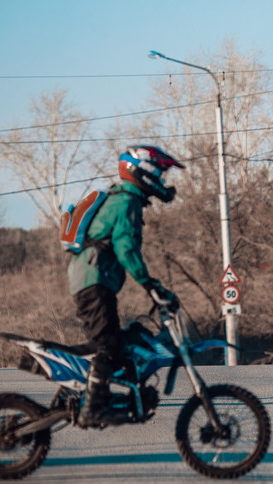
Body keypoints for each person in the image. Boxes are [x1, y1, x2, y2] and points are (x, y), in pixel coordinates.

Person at [70, 145, 183, 427]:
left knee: (123, 341)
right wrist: (150, 285)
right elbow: (126, 249)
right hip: (93, 279)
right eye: (158, 171)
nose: (161, 178)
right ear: (140, 170)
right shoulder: (125, 203)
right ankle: (93, 408)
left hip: (95, 278)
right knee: (107, 344)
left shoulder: (124, 199)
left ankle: (113, 397)